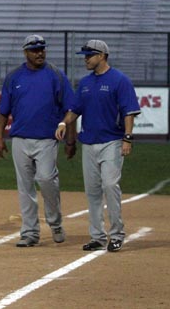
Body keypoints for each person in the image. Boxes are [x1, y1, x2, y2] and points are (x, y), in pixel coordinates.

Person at [55, 39, 141, 252]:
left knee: (110, 186)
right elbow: (75, 108)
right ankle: (97, 236)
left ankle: (117, 233)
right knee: (92, 191)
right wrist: (64, 122)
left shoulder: (119, 80)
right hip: (89, 143)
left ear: (102, 55)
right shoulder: (85, 83)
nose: (86, 58)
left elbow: (129, 111)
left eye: (89, 55)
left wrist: (127, 138)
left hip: (111, 141)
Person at [0, 34, 77, 247]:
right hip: (20, 138)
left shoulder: (56, 75)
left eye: (42, 49)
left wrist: (70, 140)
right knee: (25, 187)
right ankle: (30, 232)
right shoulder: (14, 77)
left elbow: (71, 108)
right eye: (34, 50)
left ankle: (55, 222)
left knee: (47, 180)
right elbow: (3, 111)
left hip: (47, 139)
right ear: (25, 52)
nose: (40, 53)